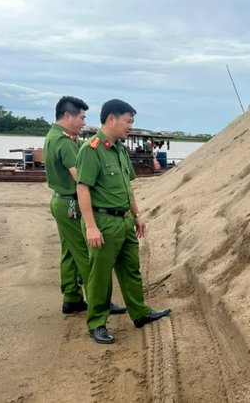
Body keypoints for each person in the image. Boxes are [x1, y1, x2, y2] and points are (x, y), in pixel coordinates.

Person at [75, 98, 172, 344]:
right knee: (100, 275)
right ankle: (97, 322)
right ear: (111, 119)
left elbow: (127, 187)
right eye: (128, 121)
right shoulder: (92, 149)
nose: (130, 126)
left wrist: (137, 216)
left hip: (124, 220)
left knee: (131, 269)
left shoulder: (119, 149)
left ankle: (139, 312)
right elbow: (83, 188)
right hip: (103, 221)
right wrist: (91, 226)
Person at [44, 96, 127, 316]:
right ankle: (99, 303)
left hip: (60, 201)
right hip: (70, 203)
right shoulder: (64, 141)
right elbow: (79, 177)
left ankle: (71, 296)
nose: (83, 123)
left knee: (69, 252)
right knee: (86, 255)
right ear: (67, 115)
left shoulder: (54, 136)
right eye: (81, 118)